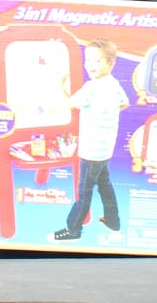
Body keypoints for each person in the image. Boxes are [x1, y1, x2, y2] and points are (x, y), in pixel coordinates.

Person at [50, 38, 129, 242]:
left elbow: (69, 104)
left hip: (91, 150)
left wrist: (60, 85)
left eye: (98, 61)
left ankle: (73, 230)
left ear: (111, 63)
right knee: (105, 185)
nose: (91, 65)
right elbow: (124, 104)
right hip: (105, 148)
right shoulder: (114, 85)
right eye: (89, 60)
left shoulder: (91, 88)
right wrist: (105, 114)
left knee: (84, 193)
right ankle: (113, 221)